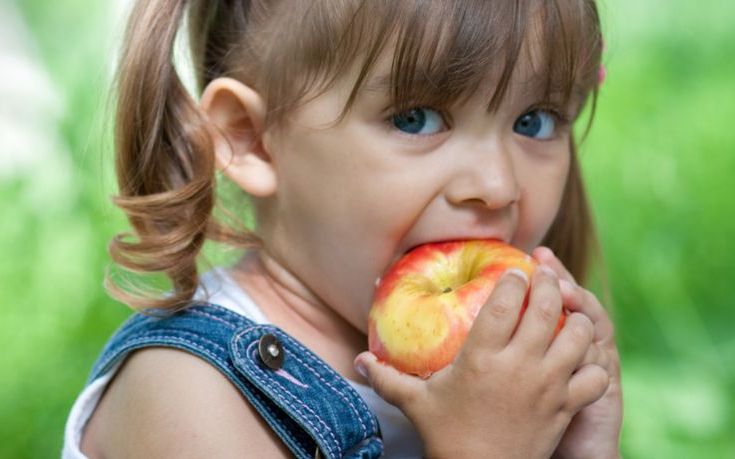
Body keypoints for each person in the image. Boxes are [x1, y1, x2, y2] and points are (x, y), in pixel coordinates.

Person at [63, 0, 622, 457]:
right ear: (252, 138)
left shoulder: (508, 375)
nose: (497, 184)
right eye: (416, 118)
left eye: (536, 121)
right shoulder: (191, 394)